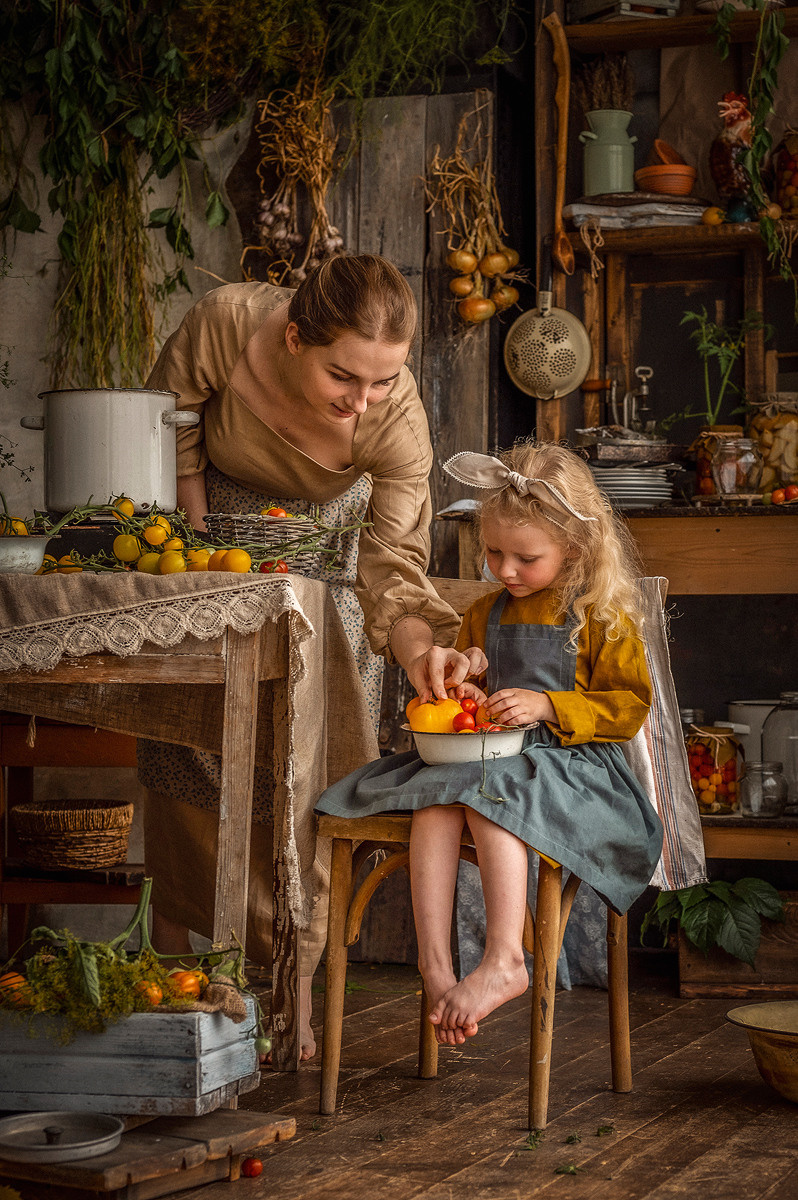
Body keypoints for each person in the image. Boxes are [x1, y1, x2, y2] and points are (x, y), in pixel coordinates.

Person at [138, 254, 480, 1059]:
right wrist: (197, 545)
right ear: (293, 337)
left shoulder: (395, 429)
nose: (362, 403)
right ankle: (174, 994)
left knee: (298, 798)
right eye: (344, 377)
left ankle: (285, 1007)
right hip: (206, 561)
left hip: (325, 597)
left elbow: (392, 568)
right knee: (190, 773)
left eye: (383, 382)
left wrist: (422, 651)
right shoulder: (226, 322)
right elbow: (170, 418)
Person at [316, 440, 664, 1046]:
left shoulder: (601, 618)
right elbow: (472, 696)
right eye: (494, 552)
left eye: (524, 558)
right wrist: (466, 673)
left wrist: (550, 704)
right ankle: (437, 965)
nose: (505, 570)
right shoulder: (486, 612)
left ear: (576, 549)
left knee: (487, 793)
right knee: (434, 798)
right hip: (491, 761)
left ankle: (506, 957)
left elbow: (629, 708)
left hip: (574, 767)